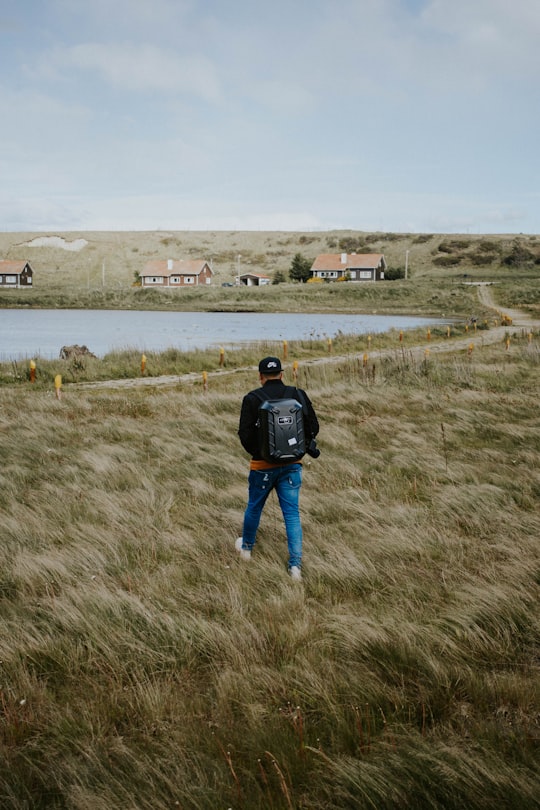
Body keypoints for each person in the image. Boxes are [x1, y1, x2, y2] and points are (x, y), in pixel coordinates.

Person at [236, 356, 319, 580]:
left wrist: (261, 453)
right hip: (292, 466)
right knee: (291, 514)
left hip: (261, 466)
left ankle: (246, 550)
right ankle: (295, 567)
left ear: (261, 377)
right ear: (282, 374)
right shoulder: (298, 394)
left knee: (254, 507)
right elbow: (313, 426)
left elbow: (244, 434)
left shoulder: (252, 398)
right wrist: (298, 449)